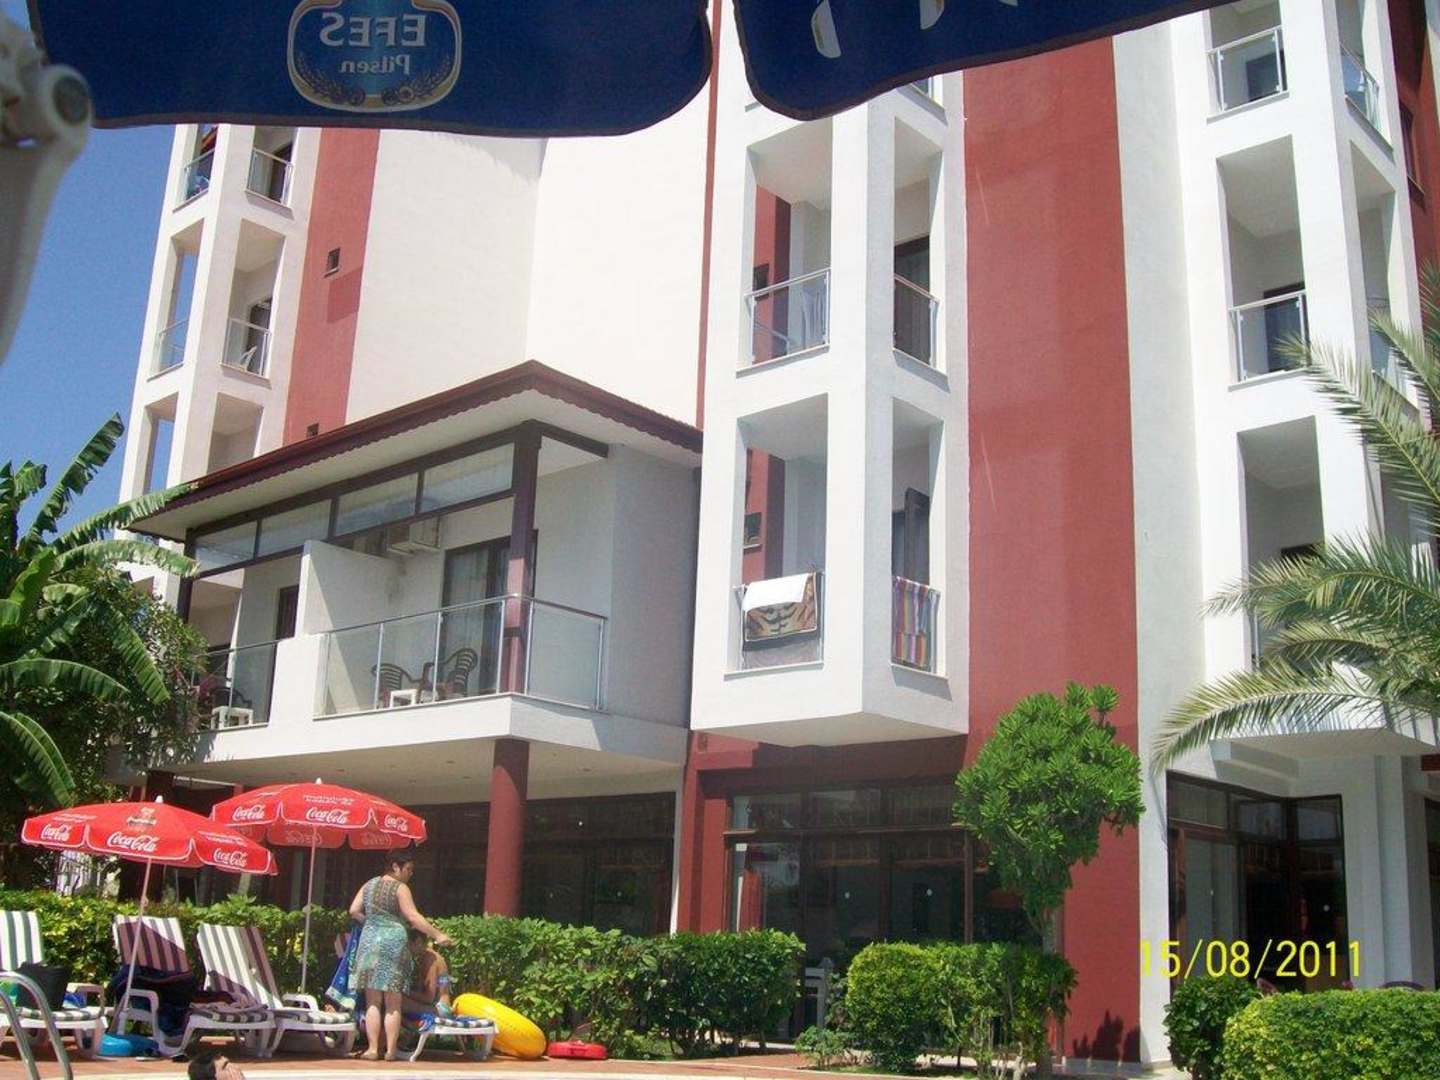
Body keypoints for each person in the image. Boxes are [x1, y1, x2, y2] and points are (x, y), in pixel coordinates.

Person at [349, 854, 453, 1061]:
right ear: (396, 867)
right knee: (393, 1002)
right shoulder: (400, 888)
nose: (410, 873)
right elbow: (413, 916)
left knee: (372, 1001)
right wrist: (438, 935)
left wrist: (372, 923)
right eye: (408, 869)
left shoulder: (368, 885)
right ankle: (390, 1051)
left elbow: (353, 910)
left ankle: (372, 1049)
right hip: (392, 943)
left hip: (369, 941)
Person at [401, 927, 453, 1019]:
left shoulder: (429, 959)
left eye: (408, 945)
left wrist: (404, 991)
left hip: (440, 1009)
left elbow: (428, 998)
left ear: (418, 941)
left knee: (397, 1001)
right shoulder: (426, 957)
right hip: (436, 1006)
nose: (406, 950)